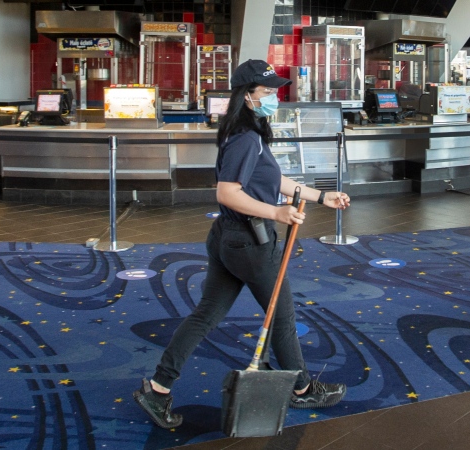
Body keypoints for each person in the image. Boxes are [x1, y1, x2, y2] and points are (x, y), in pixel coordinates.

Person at [133, 59, 351, 429]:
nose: (274, 97)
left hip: (229, 238)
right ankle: (302, 390)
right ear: (247, 96)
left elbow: (272, 179)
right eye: (267, 91)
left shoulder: (247, 131)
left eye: (275, 90)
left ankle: (158, 388)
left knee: (206, 314)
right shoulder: (246, 138)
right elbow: (227, 192)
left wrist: (319, 196)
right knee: (281, 320)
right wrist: (276, 212)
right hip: (249, 242)